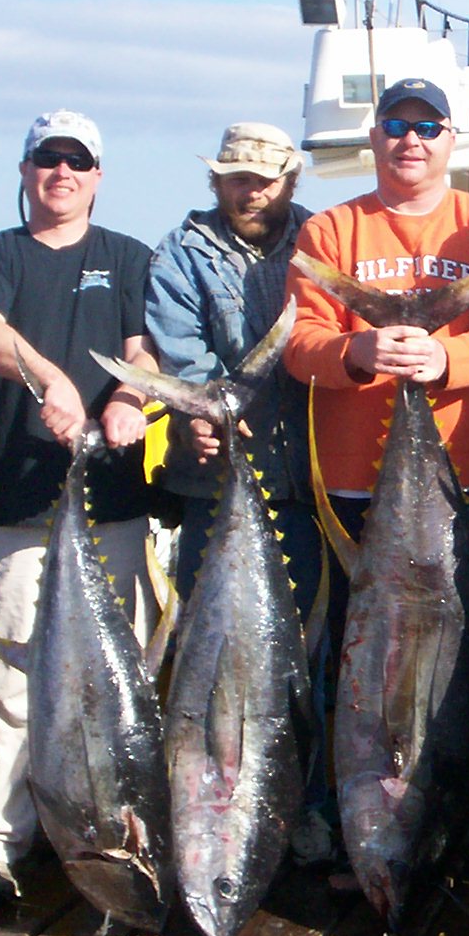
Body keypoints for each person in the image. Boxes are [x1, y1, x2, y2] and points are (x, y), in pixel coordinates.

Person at [286, 78, 469, 859]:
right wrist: (358, 349)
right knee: (357, 670)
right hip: (355, 492)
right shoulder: (330, 230)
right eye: (396, 125)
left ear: (451, 139)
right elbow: (300, 344)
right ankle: (348, 820)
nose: (411, 140)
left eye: (428, 127)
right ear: (375, 138)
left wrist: (445, 358)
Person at [0, 110, 160, 904]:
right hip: (16, 505)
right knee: (6, 681)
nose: (62, 172)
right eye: (48, 158)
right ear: (25, 169)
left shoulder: (128, 257)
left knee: (118, 683)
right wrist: (52, 379)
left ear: (98, 176)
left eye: (78, 160)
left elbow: (143, 348)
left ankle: (109, 829)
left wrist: (130, 397)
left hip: (115, 505)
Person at [145, 119, 333, 861]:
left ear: (289, 180)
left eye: (263, 180)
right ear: (215, 181)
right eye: (236, 179)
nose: (250, 192)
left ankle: (305, 809)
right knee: (211, 659)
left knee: (309, 659)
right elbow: (182, 353)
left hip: (312, 491)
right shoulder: (180, 252)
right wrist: (199, 410)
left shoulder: (322, 243)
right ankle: (211, 810)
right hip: (213, 488)